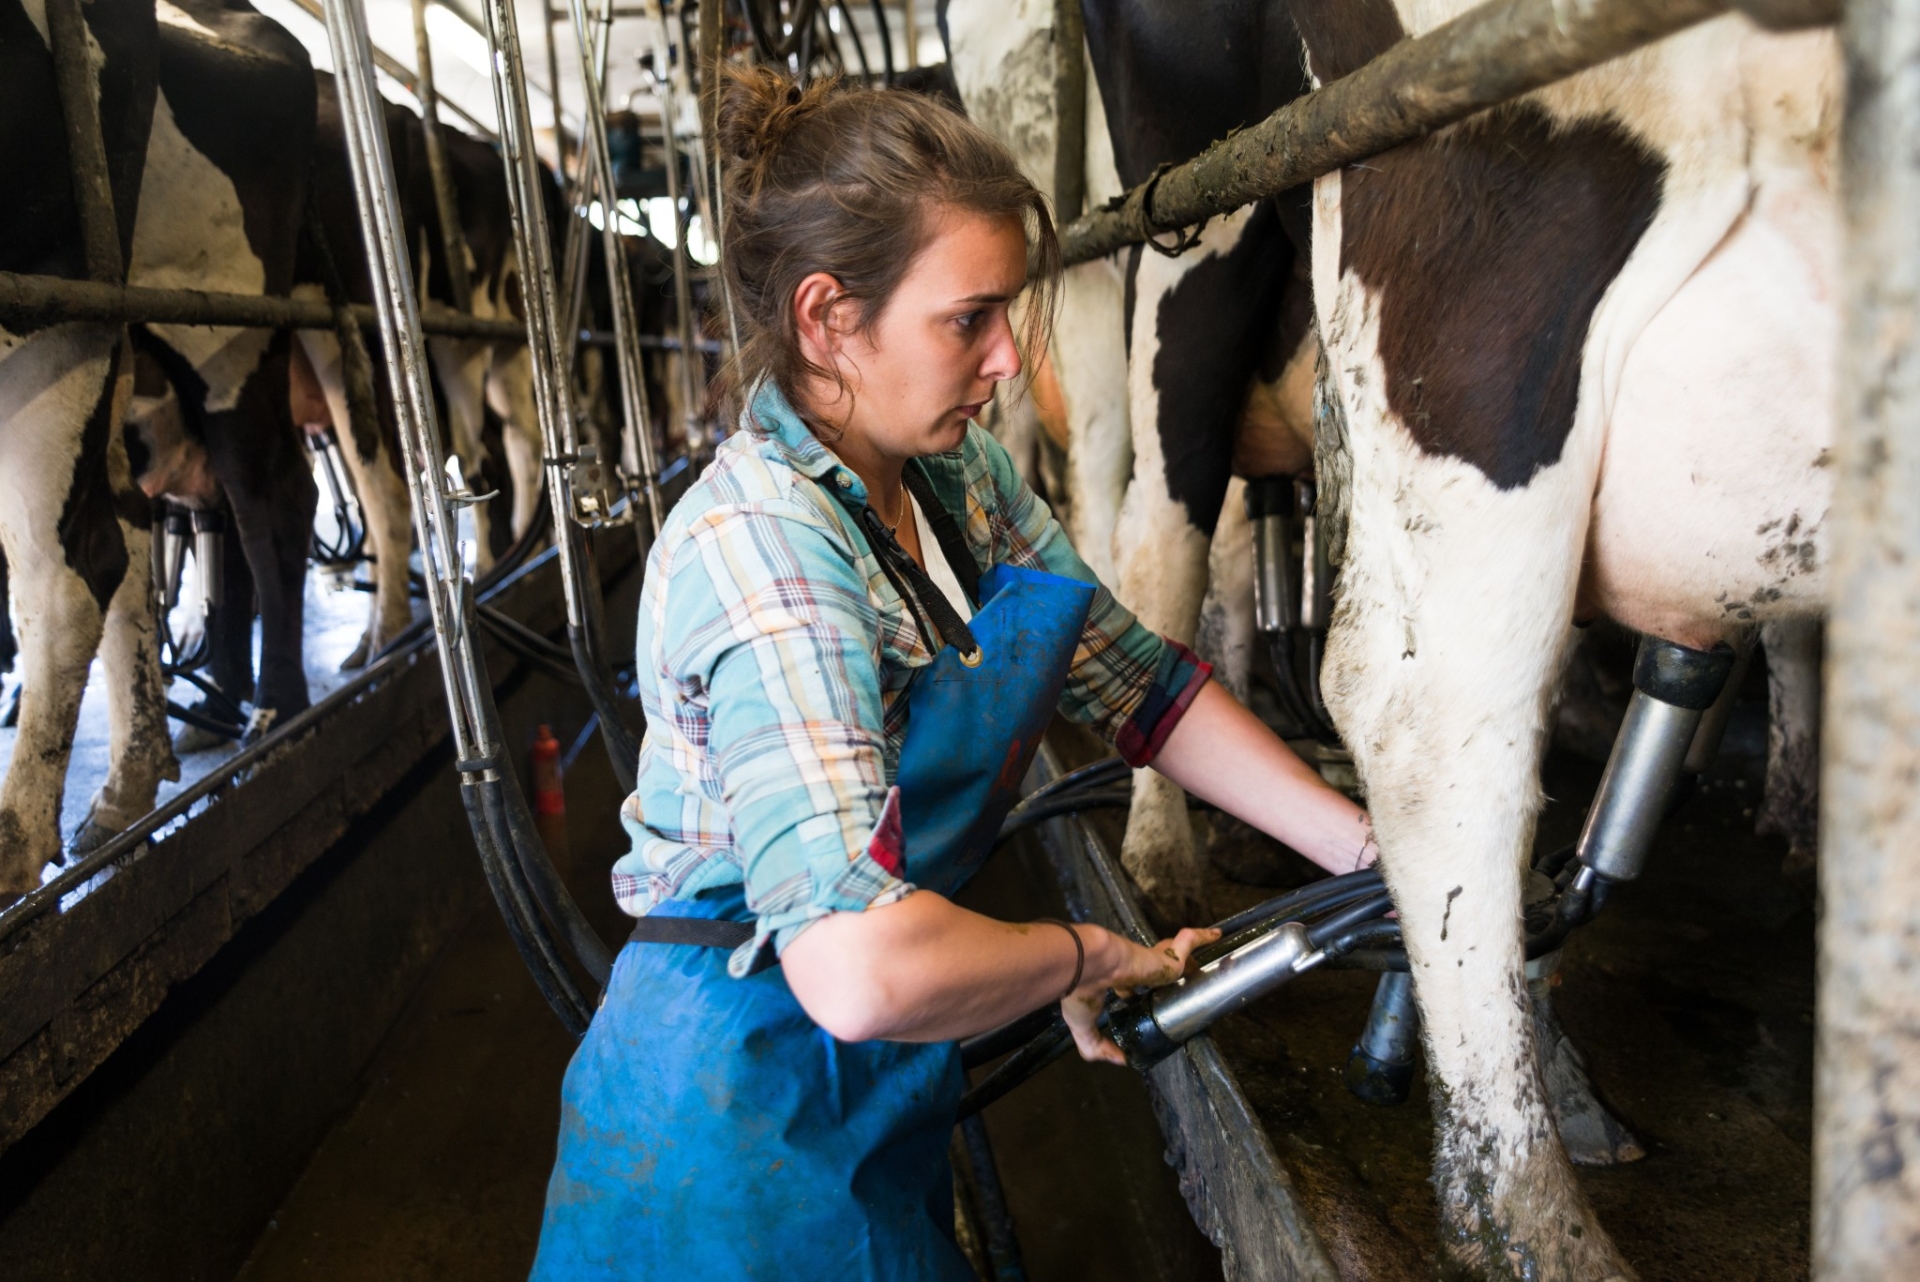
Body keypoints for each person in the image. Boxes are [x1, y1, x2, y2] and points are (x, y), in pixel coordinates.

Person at [530, 67, 1377, 1281]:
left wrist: (1366, 854)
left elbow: (1133, 683)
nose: (1000, 364)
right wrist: (1082, 955)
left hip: (868, 1068)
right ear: (828, 318)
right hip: (728, 1116)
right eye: (966, 319)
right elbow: (861, 969)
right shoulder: (767, 551)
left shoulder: (955, 475)